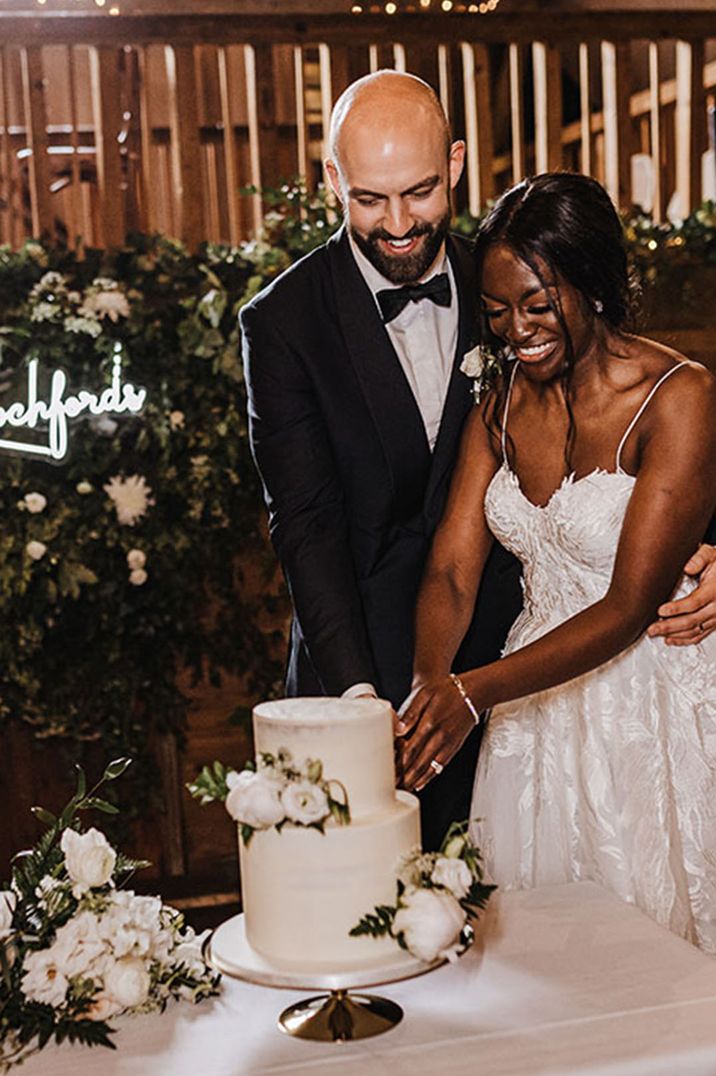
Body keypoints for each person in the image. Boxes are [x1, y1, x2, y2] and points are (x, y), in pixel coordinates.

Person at [241, 70, 716, 850]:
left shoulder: (509, 265)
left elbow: (666, 479)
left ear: (455, 166)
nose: (398, 223)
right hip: (381, 666)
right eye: (369, 199)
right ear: (332, 181)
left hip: (524, 672)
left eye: (419, 192)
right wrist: (387, 694)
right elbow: (307, 524)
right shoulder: (283, 322)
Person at [397, 172, 716, 950]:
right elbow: (451, 570)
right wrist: (429, 684)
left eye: (538, 307)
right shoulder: (498, 407)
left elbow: (627, 606)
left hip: (650, 696)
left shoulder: (676, 398)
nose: (516, 331)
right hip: (531, 707)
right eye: (497, 311)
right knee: (541, 951)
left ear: (595, 286)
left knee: (657, 934)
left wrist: (469, 695)